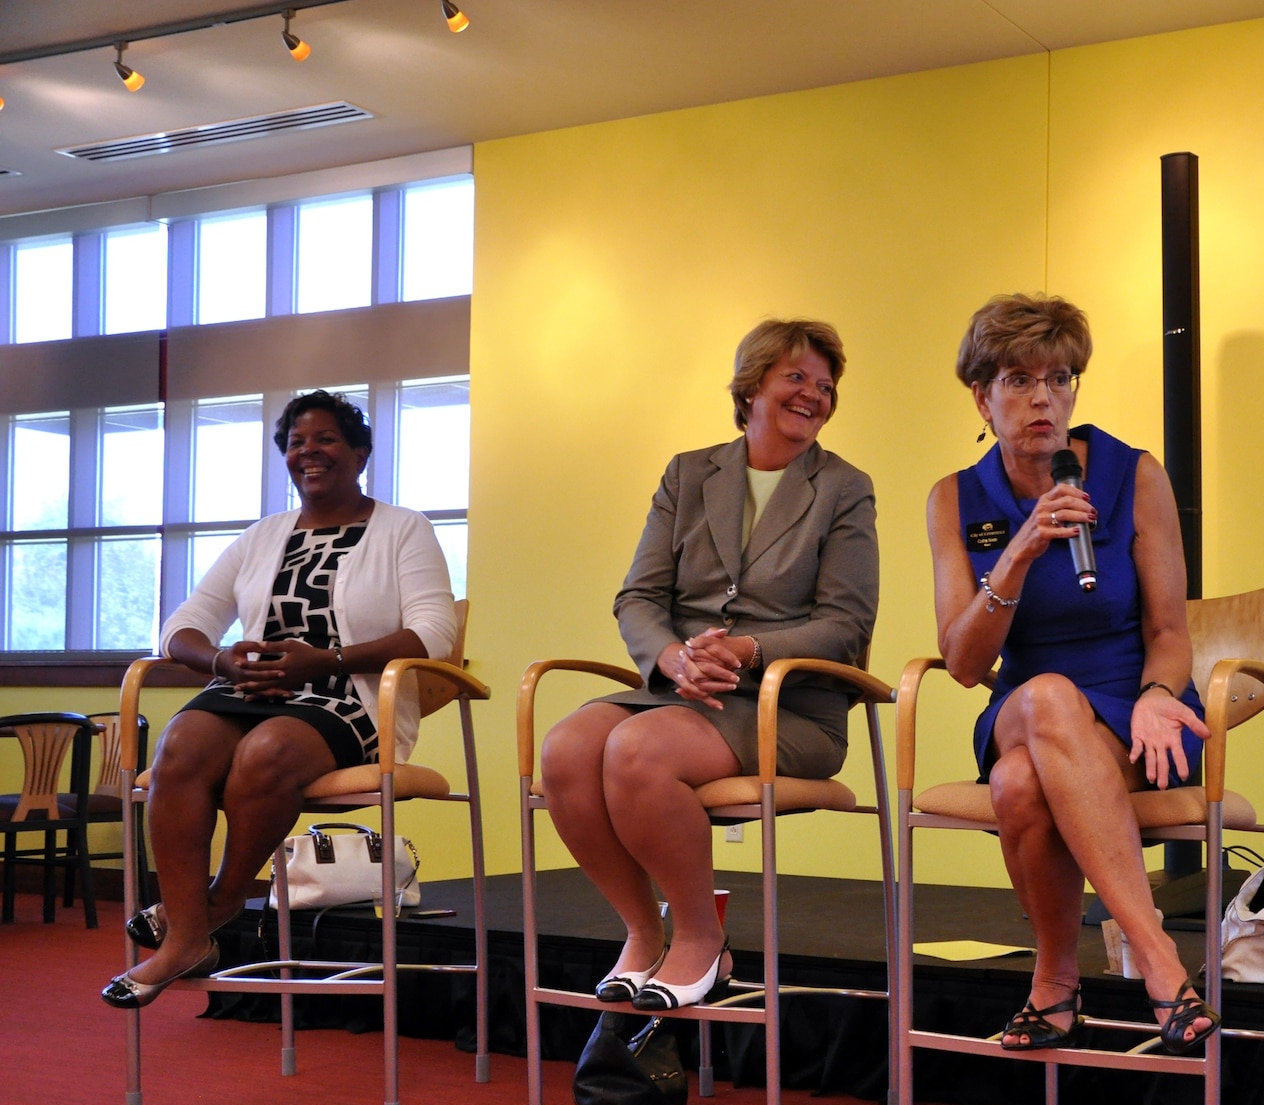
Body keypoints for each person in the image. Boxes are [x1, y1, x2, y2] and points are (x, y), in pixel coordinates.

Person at [539, 319, 877, 1012]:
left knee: (636, 751)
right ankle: (642, 929)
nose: (814, 394)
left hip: (790, 704)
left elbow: (847, 624)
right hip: (679, 692)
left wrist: (746, 650)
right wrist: (670, 657)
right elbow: (637, 595)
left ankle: (700, 936)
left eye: (826, 385)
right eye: (797, 378)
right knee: (567, 749)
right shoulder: (690, 472)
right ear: (751, 385)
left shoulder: (844, 487)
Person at [925, 293, 1217, 1054]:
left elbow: (1168, 630)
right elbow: (963, 664)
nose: (1042, 399)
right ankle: (1158, 957)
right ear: (981, 397)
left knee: (1019, 784)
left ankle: (1054, 984)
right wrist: (1019, 551)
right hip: (1024, 704)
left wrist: (1157, 695)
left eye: (1059, 378)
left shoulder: (1134, 474)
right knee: (1047, 697)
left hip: (1137, 714)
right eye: (1019, 380)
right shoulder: (954, 499)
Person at [103, 390, 458, 1008]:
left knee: (266, 752)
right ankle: (190, 937)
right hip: (249, 688)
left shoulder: (403, 528)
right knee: (180, 743)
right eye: (296, 443)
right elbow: (183, 624)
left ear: (360, 453)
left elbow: (435, 631)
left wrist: (324, 661)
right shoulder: (261, 536)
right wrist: (221, 660)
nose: (308, 452)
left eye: (325, 440)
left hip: (349, 696)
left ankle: (217, 904)